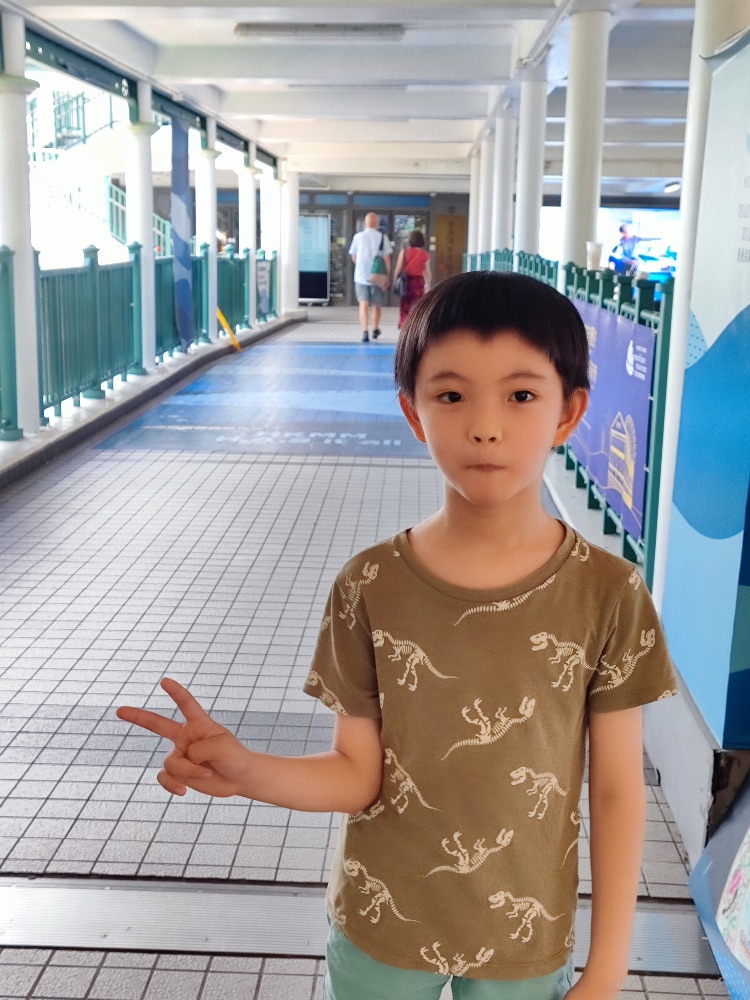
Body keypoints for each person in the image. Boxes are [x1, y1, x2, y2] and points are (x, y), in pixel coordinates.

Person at [117, 270, 678, 1000]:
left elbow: (616, 790)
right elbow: (358, 775)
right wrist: (249, 771)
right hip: (378, 932)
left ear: (568, 412)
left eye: (520, 395)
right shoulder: (369, 585)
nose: (485, 425)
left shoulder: (609, 592)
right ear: (414, 412)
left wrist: (607, 969)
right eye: (451, 395)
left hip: (525, 939)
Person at [349, 212, 392, 342]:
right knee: (376, 305)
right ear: (377, 224)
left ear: (365, 223)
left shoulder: (358, 237)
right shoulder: (382, 237)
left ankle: (364, 331)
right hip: (377, 277)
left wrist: (361, 266)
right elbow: (387, 258)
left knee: (363, 304)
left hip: (360, 276)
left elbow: (353, 256)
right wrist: (386, 275)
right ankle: (375, 328)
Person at [394, 230, 431, 328]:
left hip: (406, 282)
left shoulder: (404, 252)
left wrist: (395, 280)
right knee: (417, 306)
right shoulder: (425, 254)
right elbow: (427, 271)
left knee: (405, 305)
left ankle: (404, 325)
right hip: (419, 283)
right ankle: (415, 326)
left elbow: (398, 268)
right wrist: (427, 284)